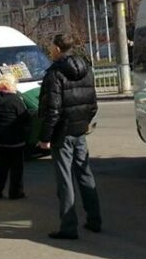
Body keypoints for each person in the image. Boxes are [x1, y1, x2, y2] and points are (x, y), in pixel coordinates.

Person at [37, 33, 102, 239]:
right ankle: (94, 220)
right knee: (85, 175)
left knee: (65, 181)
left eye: (51, 47)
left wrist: (45, 137)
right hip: (79, 131)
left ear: (57, 48)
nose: (49, 50)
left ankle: (68, 227)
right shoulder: (87, 70)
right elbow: (93, 104)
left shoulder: (54, 74)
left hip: (61, 135)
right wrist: (82, 123)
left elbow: (52, 110)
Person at [0, 72, 30, 200]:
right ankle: (15, 192)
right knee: (16, 168)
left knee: (0, 167)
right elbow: (24, 117)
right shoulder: (15, 100)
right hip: (14, 140)